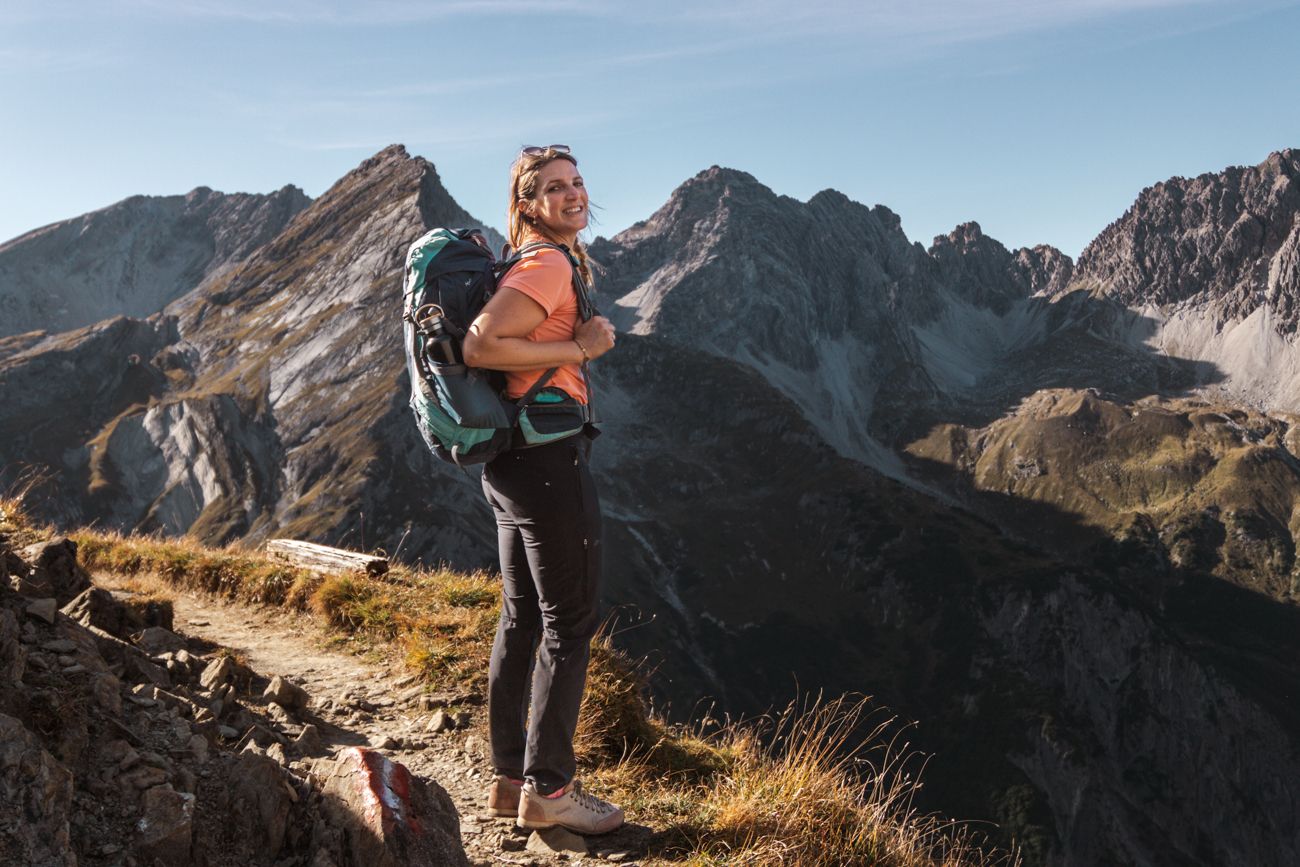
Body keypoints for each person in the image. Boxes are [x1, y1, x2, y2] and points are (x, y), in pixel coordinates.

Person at [461, 144, 623, 835]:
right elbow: (481, 345)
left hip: (512, 461)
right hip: (549, 461)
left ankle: (509, 780)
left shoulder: (526, 259)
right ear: (528, 203)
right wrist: (578, 350)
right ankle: (551, 788)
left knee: (523, 616)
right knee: (571, 621)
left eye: (578, 182)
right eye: (555, 187)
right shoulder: (548, 263)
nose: (573, 194)